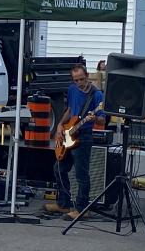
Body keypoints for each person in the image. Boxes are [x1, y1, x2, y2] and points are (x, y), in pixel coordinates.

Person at [43, 63, 105, 220]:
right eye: (76, 80)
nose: (79, 83)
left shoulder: (96, 95)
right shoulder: (72, 90)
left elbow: (102, 119)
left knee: (81, 174)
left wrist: (94, 117)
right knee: (59, 168)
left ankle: (82, 209)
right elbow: (70, 110)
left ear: (87, 76)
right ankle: (63, 204)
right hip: (68, 133)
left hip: (84, 136)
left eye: (82, 79)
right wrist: (59, 126)